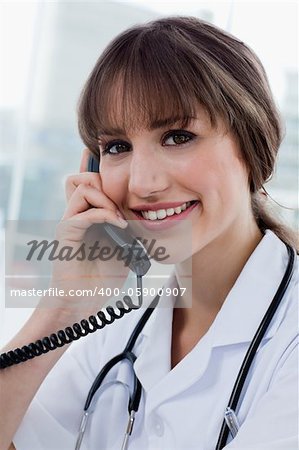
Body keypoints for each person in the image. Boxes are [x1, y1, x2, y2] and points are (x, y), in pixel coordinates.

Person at [1, 15, 298, 450]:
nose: (142, 183)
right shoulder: (111, 329)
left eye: (178, 136)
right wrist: (61, 311)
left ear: (251, 144)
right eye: (117, 147)